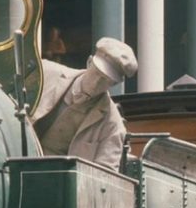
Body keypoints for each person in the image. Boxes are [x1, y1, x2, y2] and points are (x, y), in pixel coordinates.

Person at [31, 37, 138, 167]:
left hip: (56, 183)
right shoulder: (44, 73)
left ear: (114, 83)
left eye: (106, 80)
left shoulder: (112, 126)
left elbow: (104, 177)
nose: (97, 82)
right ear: (89, 62)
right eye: (97, 72)